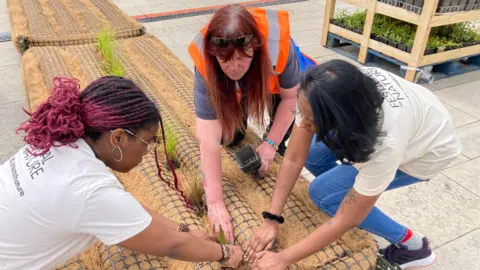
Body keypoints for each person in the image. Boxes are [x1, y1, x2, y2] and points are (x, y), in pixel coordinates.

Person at [0, 76, 243, 269]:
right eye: (147, 141)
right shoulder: (86, 189)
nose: (148, 151)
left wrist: (186, 229)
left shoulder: (64, 143)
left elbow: (126, 208)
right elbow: (171, 247)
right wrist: (225, 253)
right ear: (117, 137)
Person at [244, 60, 463, 269]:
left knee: (323, 194)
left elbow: (343, 220)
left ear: (341, 122)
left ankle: (413, 246)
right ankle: (346, 193)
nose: (305, 124)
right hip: (417, 115)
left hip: (428, 151)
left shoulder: (384, 145)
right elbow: (293, 158)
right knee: (312, 156)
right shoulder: (325, 90)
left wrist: (282, 259)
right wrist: (272, 219)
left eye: (312, 122)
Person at [188, 4, 317, 243]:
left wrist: (269, 144)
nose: (233, 67)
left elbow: (291, 100)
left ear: (254, 49)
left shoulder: (278, 48)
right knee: (230, 137)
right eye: (224, 61)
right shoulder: (205, 60)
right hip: (246, 85)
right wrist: (215, 200)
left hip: (281, 86)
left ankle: (272, 149)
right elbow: (208, 138)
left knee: (274, 145)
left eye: (240, 58)